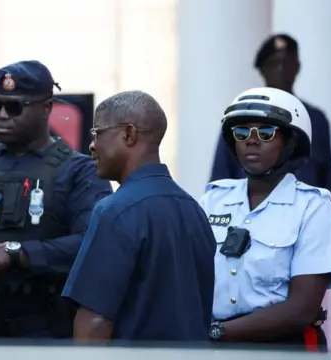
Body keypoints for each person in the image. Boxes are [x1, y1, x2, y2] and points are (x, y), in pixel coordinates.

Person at [0, 60, 114, 339]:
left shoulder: (80, 172)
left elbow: (93, 244)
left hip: (45, 334)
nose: (2, 114)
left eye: (15, 107)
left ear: (46, 109)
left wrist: (17, 254)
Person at [62, 90, 216, 343]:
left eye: (97, 133)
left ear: (129, 134)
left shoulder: (115, 211)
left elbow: (94, 323)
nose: (92, 144)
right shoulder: (195, 210)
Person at [201, 87, 331, 352]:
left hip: (284, 348)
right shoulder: (212, 201)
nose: (251, 141)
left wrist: (216, 332)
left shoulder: (313, 208)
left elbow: (301, 309)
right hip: (215, 348)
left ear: (289, 143)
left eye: (265, 133)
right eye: (241, 133)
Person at [209, 33, 331, 238]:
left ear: (297, 67)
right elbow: (221, 176)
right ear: (262, 70)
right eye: (274, 64)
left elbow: (327, 175)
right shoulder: (240, 117)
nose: (282, 70)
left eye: (288, 63)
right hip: (250, 227)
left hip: (306, 225)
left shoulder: (314, 120)